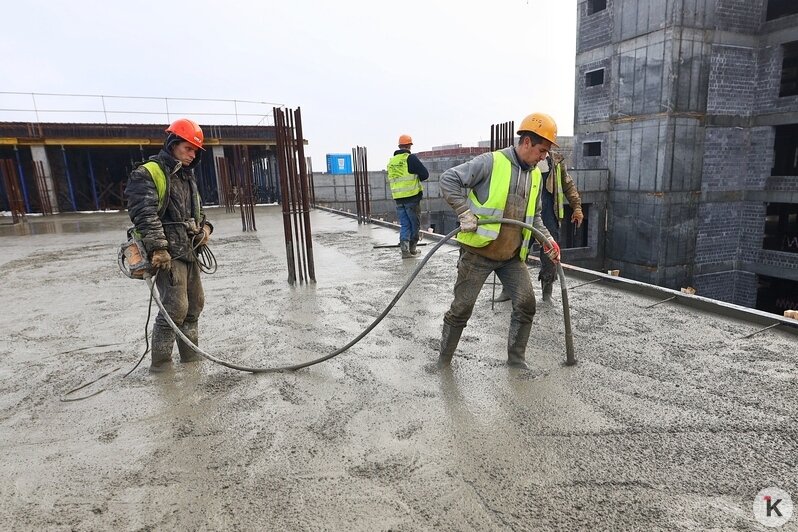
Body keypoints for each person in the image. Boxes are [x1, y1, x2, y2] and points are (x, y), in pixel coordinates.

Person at [437, 113, 560, 370]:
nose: (543, 157)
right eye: (541, 150)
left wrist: (547, 240)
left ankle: (516, 362)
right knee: (462, 308)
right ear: (526, 142)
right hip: (478, 253)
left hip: (511, 257)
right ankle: (443, 362)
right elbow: (449, 179)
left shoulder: (536, 175)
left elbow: (533, 217)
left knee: (526, 304)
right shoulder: (491, 162)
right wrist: (463, 211)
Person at [126, 118, 213, 372]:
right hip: (168, 253)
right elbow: (144, 213)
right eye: (188, 148)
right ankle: (161, 366)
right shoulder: (149, 172)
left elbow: (197, 212)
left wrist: (206, 228)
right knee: (175, 308)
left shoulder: (187, 177)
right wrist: (158, 248)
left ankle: (190, 359)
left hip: (189, 251)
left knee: (195, 304)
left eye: (195, 150)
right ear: (173, 144)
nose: (192, 154)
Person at [493, 151, 583, 303]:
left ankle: (547, 291)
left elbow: (568, 185)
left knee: (550, 252)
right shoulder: (522, 158)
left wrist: (577, 207)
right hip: (524, 211)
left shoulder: (556, 161)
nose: (540, 153)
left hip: (549, 213)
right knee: (517, 249)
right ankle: (508, 289)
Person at [386, 134, 429, 258]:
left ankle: (405, 251)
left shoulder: (392, 161)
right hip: (412, 197)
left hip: (398, 198)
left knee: (405, 224)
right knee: (414, 224)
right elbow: (425, 174)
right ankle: (412, 249)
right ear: (409, 145)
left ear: (399, 146)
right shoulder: (410, 158)